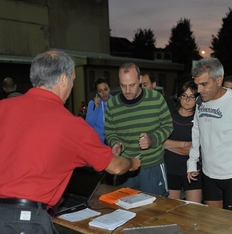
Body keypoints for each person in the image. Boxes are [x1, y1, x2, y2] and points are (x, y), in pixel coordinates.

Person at [0, 50, 140, 234]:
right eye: (73, 80)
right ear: (64, 78)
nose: (72, 87)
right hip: (20, 227)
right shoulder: (70, 124)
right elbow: (114, 167)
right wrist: (133, 162)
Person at [187, 58, 232, 212]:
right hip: (208, 174)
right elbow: (196, 132)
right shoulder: (201, 102)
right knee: (213, 222)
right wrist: (192, 162)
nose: (199, 90)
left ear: (218, 80)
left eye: (204, 84)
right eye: (197, 84)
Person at [104, 62, 173, 196]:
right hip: (125, 167)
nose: (127, 91)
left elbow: (168, 126)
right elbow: (109, 131)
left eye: (132, 85)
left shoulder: (156, 99)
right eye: (123, 86)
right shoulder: (112, 104)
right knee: (125, 209)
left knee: (156, 209)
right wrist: (114, 144)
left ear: (140, 80)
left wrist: (151, 139)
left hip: (152, 165)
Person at [164, 81, 202, 203]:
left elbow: (196, 149)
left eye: (192, 97)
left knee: (193, 211)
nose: (187, 100)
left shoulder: (200, 118)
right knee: (171, 213)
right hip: (170, 169)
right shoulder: (169, 115)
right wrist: (184, 144)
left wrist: (169, 144)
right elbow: (160, 143)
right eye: (184, 95)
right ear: (179, 96)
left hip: (192, 171)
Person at [85, 77, 112, 144]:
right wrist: (97, 109)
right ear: (96, 93)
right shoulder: (92, 104)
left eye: (105, 89)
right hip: (97, 144)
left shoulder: (115, 102)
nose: (104, 93)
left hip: (112, 143)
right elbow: (88, 124)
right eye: (100, 91)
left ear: (109, 88)